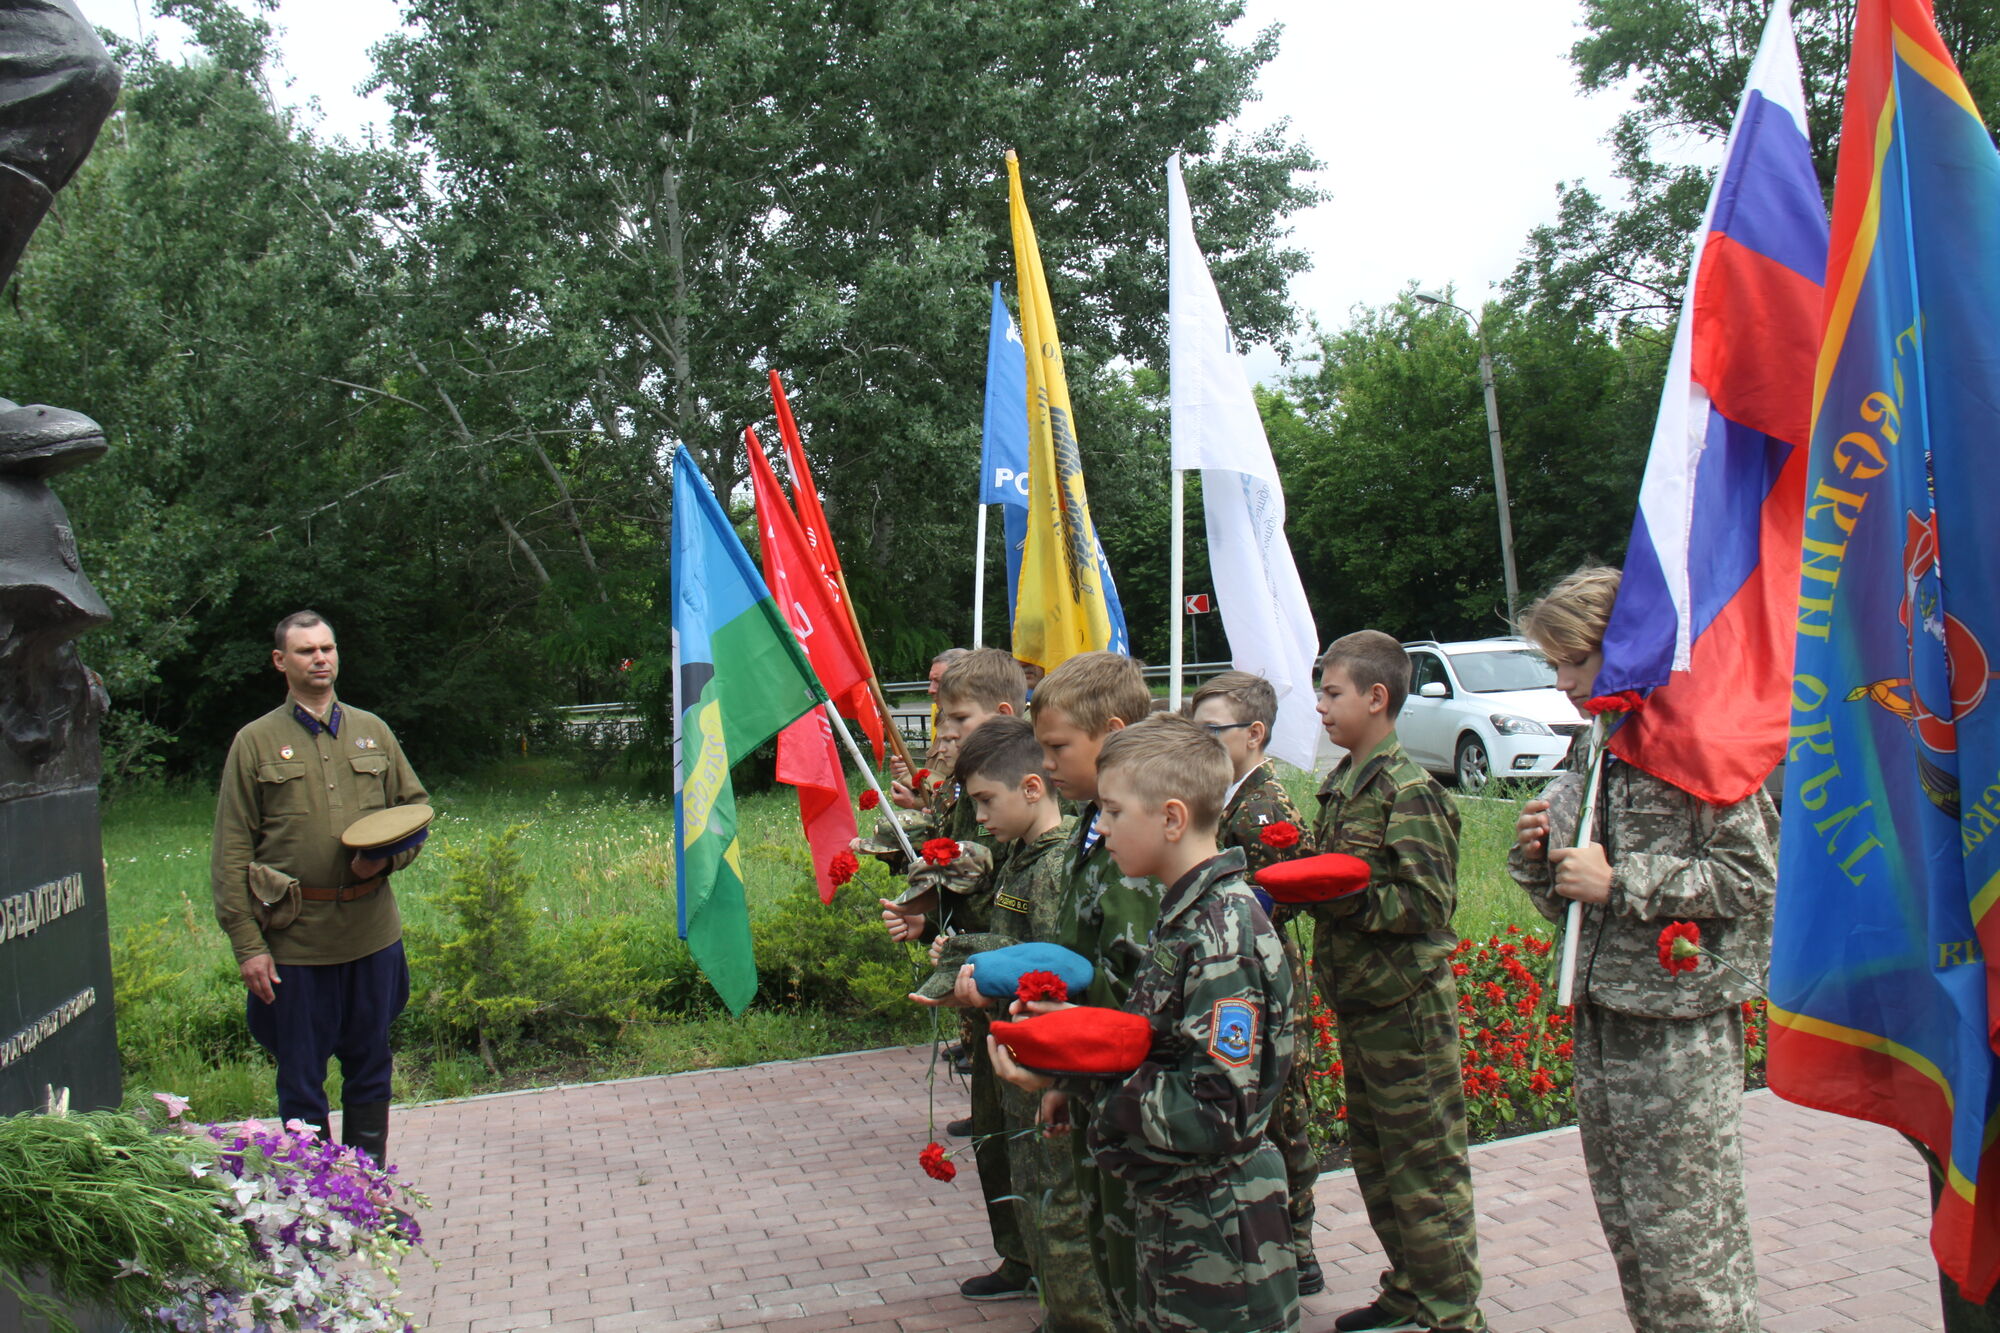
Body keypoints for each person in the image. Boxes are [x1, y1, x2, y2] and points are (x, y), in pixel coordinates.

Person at [1509, 568, 1774, 1332]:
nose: (1561, 682)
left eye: (1574, 661)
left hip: (1677, 1031)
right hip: (1607, 1016)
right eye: (1554, 664)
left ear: (1623, 650)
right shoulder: (1598, 744)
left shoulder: (1695, 740)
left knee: (1690, 1247)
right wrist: (1540, 857)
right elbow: (1573, 905)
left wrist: (1622, 880)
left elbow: (1752, 876)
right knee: (1634, 1234)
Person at [992, 714, 1299, 1332]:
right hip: (1176, 1217)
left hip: (1215, 1238)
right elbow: (1160, 1046)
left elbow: (1216, 1110)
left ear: (1172, 819)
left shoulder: (1221, 939)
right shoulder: (1187, 915)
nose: (1100, 828)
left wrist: (1087, 1080)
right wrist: (1073, 1060)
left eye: (1113, 811)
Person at [1310, 631, 1486, 1333]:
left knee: (1426, 1166)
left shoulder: (1408, 792)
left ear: (1376, 697)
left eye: (1332, 692)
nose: (1321, 706)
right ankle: (1412, 1288)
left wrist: (1335, 896)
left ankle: (1453, 1312)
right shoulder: (1343, 784)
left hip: (1404, 1007)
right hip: (1362, 1002)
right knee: (1379, 1161)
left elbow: (1427, 905)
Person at [918, 715, 1114, 1331]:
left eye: (985, 801)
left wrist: (972, 965)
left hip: (1044, 1054)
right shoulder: (1025, 856)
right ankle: (1051, 1296)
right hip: (1018, 1047)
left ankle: (1079, 1316)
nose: (978, 819)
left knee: (1060, 1204)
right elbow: (1014, 938)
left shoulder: (1055, 866)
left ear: (1032, 788)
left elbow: (1055, 966)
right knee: (1032, 1189)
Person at [210, 611, 427, 1164]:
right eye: (306, 651)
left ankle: (368, 1191)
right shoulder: (255, 742)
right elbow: (231, 851)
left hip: (370, 934)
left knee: (371, 1066)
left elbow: (415, 813)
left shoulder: (372, 730)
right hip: (296, 941)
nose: (320, 659)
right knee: (302, 1078)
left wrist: (385, 861)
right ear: (281, 661)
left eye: (327, 648)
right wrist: (248, 946)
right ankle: (318, 1196)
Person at [879, 646, 1032, 1304]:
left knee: (1029, 1137)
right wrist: (925, 914)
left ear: (1001, 713)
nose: (946, 735)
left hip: (1018, 984)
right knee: (994, 1133)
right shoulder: (973, 788)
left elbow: (1009, 892)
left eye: (958, 721)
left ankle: (1047, 1262)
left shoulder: (1023, 785)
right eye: (943, 722)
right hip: (982, 980)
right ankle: (1018, 1255)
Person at [1030, 651, 1161, 1327]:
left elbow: (1131, 990)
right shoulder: (1094, 823)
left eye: (1059, 747)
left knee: (1141, 1274)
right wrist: (1065, 1076)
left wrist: (1061, 1036)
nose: (1046, 762)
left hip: (1136, 1096)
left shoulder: (1137, 846)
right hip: (1098, 1082)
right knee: (1110, 1258)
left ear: (1112, 733)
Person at [1187, 670, 1322, 1295]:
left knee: (1282, 1110)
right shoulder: (1226, 795)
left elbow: (1290, 891)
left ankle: (1298, 1246)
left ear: (1254, 733)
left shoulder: (1265, 804)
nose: (1203, 740)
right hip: (1234, 967)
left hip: (1265, 972)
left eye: (1213, 730)